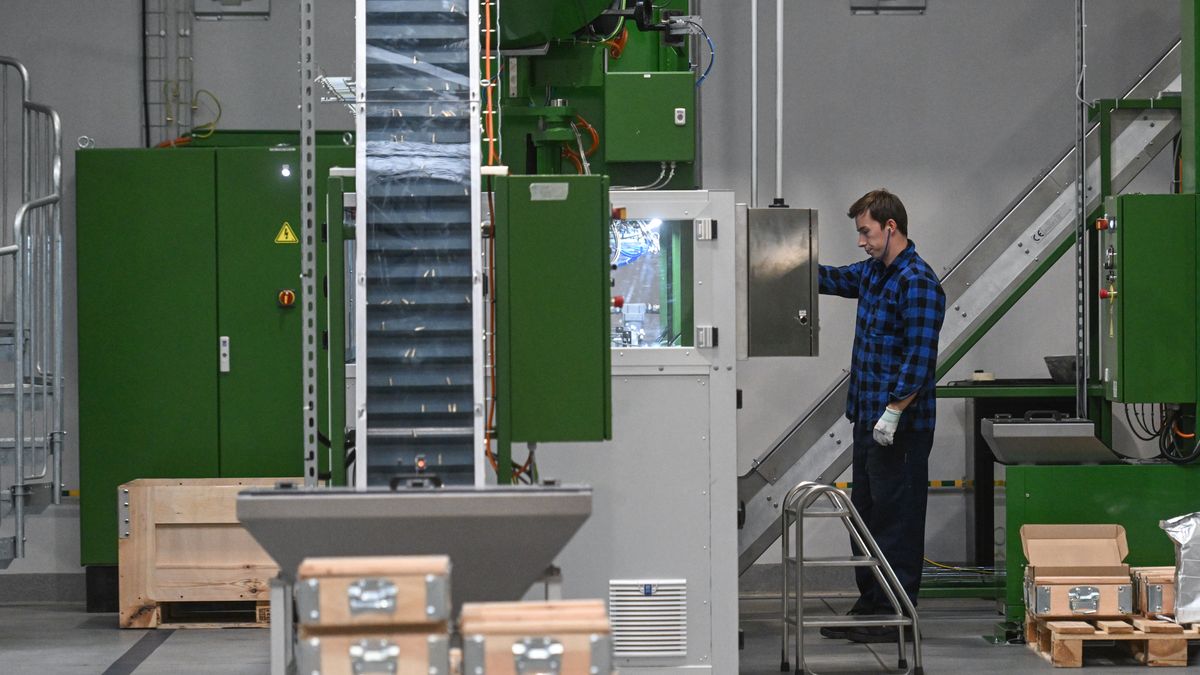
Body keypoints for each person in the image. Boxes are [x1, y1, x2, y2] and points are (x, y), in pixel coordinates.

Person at [816, 189, 946, 643]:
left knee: (897, 522)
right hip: (867, 421)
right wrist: (781, 262)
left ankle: (895, 617)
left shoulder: (918, 282)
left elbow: (920, 357)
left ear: (891, 226)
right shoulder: (875, 275)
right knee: (866, 518)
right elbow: (831, 278)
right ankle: (871, 606)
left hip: (901, 429)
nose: (861, 242)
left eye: (865, 231)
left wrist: (894, 411)